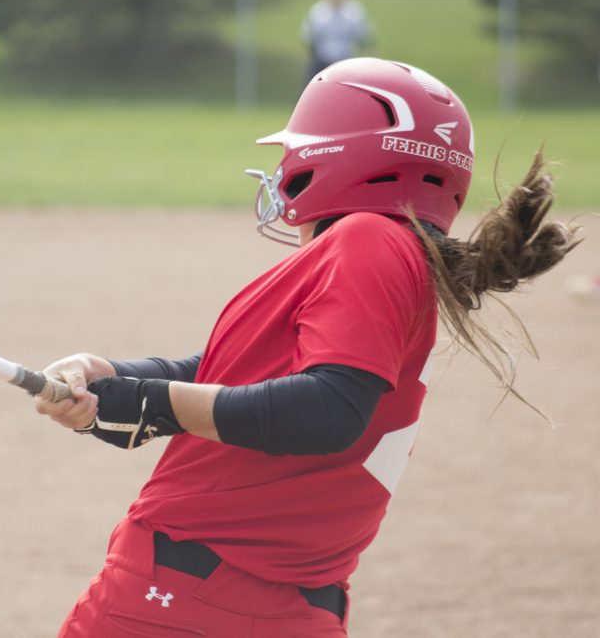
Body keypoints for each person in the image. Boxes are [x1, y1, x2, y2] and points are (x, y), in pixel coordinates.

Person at [34, 58, 579, 637]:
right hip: (280, 611)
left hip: (182, 603)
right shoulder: (398, 258)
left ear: (334, 158)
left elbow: (325, 410)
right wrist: (113, 377)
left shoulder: (367, 240)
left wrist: (151, 401)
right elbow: (242, 373)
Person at [301, 0, 373, 82]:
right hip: (321, 60)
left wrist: (368, 54)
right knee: (310, 91)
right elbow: (308, 36)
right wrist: (311, 56)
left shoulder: (354, 10)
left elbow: (364, 35)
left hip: (345, 61)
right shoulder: (318, 11)